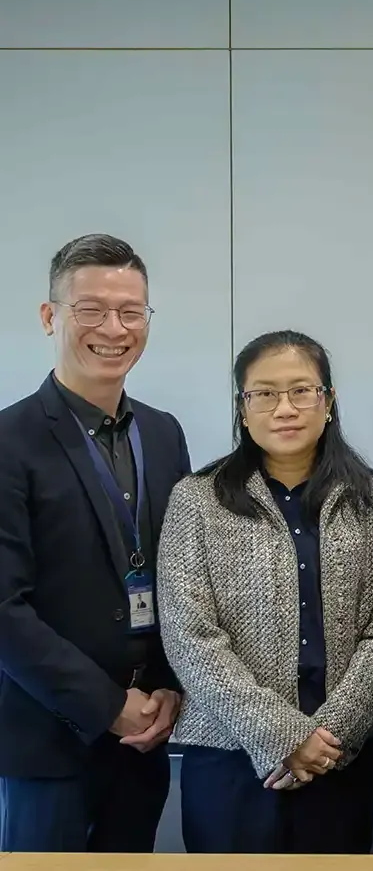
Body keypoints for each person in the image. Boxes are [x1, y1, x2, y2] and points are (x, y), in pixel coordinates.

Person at [158, 330, 373, 853]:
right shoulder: (197, 501)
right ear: (243, 409)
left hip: (338, 757)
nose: (285, 408)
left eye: (301, 391)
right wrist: (282, 736)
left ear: (328, 402)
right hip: (229, 758)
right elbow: (189, 636)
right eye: (264, 393)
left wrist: (327, 738)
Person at [0, 234, 191, 851]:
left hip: (145, 737)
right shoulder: (10, 440)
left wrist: (168, 684)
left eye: (131, 311)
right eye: (91, 309)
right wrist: (107, 705)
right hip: (47, 743)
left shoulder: (163, 434)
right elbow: (4, 608)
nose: (114, 328)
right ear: (49, 316)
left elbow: (181, 575)